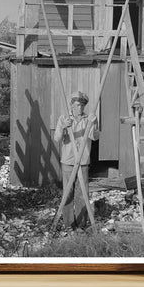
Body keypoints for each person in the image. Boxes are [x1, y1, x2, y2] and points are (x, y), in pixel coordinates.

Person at [54, 91, 99, 229]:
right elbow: (57, 139)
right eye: (78, 105)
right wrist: (63, 127)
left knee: (82, 194)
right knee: (67, 194)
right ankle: (68, 223)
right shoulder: (64, 118)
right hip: (68, 161)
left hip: (83, 161)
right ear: (71, 105)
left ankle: (81, 224)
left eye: (82, 106)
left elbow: (95, 137)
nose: (80, 108)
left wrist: (93, 124)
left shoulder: (89, 119)